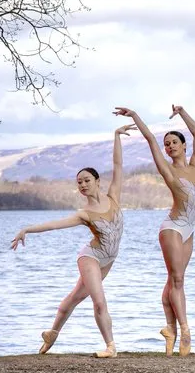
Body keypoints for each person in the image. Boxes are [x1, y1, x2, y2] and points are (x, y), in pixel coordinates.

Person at [10, 124, 137, 358]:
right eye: (79, 182)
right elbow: (53, 225)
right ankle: (111, 347)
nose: (83, 184)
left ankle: (53, 333)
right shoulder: (83, 214)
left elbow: (118, 166)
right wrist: (26, 228)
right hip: (91, 257)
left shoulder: (114, 197)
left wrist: (116, 136)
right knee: (99, 301)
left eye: (87, 180)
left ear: (97, 181)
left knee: (75, 297)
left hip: (109, 259)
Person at [114, 105, 195, 357]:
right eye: (168, 144)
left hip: (189, 230)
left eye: (174, 142)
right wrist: (134, 116)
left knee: (173, 281)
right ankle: (185, 330)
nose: (170, 146)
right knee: (177, 280)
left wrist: (183, 112)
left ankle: (170, 329)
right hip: (172, 228)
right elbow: (150, 139)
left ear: (184, 146)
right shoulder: (168, 169)